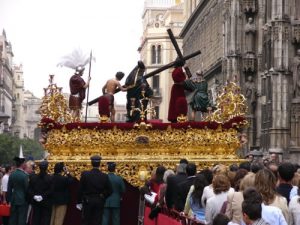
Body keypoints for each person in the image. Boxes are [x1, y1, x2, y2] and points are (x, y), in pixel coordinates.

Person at [77, 155, 112, 225]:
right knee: (97, 220)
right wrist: (103, 196)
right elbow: (110, 190)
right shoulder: (104, 176)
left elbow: (80, 189)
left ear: (91, 163)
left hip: (87, 200)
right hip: (99, 199)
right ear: (99, 164)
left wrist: (79, 201)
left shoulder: (85, 175)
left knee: (86, 220)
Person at [28, 160, 53, 225]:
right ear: (47, 168)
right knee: (45, 219)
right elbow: (51, 190)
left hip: (36, 202)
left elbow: (29, 189)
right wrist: (42, 196)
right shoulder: (50, 178)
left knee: (36, 218)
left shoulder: (33, 177)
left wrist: (34, 196)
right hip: (46, 202)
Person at [7, 150, 28, 225]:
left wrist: (8, 200)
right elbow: (26, 189)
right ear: (22, 164)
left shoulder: (12, 175)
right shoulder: (25, 176)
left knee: (13, 218)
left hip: (13, 199)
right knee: (21, 219)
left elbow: (9, 189)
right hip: (22, 200)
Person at [167, 58, 187, 122]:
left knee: (174, 103)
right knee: (179, 103)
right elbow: (183, 79)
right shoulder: (180, 70)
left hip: (176, 88)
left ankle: (173, 117)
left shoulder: (175, 70)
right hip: (179, 88)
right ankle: (179, 117)